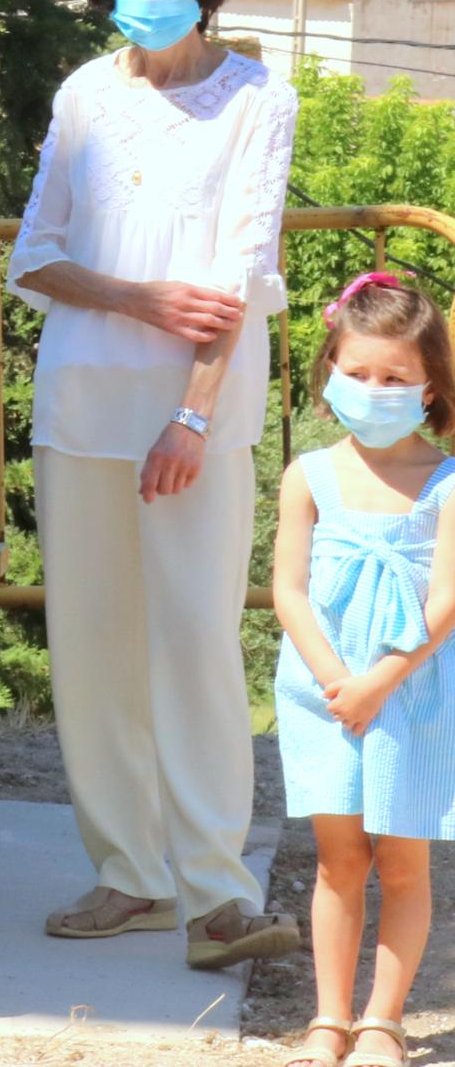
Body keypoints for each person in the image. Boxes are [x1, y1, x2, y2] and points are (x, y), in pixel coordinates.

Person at [6, 0, 303, 970]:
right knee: (92, 646)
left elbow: (240, 279)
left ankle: (217, 896)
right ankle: (128, 872)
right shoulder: (85, 93)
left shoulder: (256, 100)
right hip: (82, 406)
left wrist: (191, 413)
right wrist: (136, 298)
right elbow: (30, 255)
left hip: (195, 424)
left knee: (194, 642)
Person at [272, 273, 455, 1067]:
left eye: (395, 379)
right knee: (339, 860)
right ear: (329, 372)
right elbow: (286, 590)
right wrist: (333, 681)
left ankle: (383, 1021)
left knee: (404, 862)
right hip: (322, 696)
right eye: (358, 374)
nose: (373, 390)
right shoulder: (307, 475)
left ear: (430, 388)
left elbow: (447, 601)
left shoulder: (448, 485)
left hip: (412, 698)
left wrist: (381, 678)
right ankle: (328, 1018)